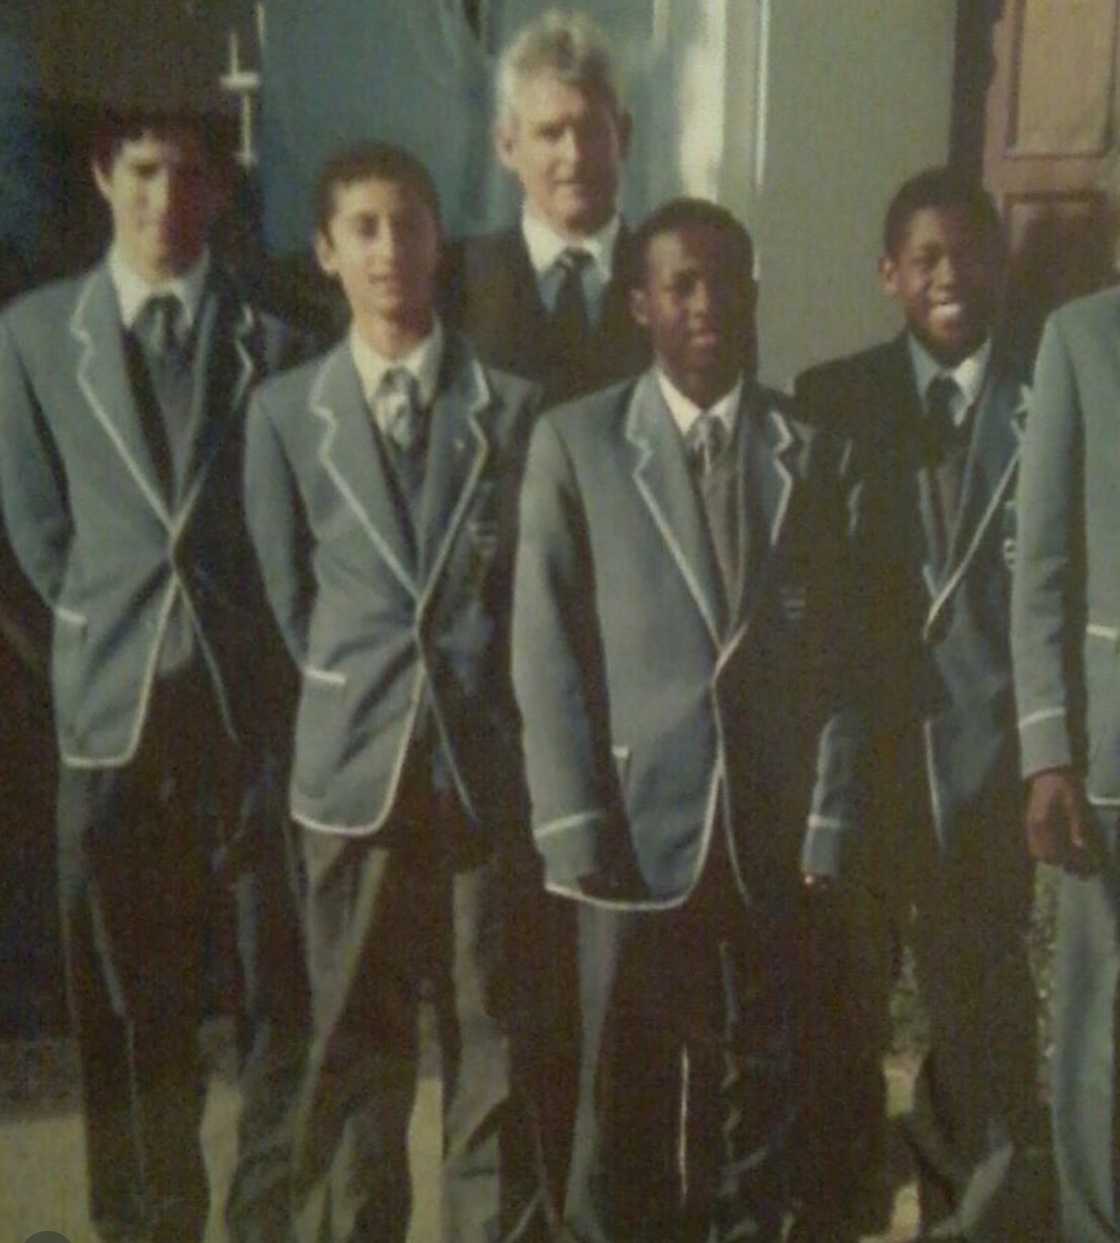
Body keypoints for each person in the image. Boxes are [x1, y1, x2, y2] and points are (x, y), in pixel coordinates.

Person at [511, 196, 864, 1242]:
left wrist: (828, 814)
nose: (708, 304)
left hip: (768, 824)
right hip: (633, 816)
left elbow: (842, 656)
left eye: (727, 283)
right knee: (623, 1064)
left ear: (754, 295)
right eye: (681, 285)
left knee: (760, 1066)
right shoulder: (577, 442)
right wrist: (572, 817)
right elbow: (547, 646)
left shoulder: (809, 449)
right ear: (639, 304)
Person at [0, 108, 308, 1242]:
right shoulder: (35, 337)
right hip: (112, 720)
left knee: (279, 991)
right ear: (102, 176)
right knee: (129, 1004)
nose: (164, 200)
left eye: (188, 175)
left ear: (221, 188)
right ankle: (145, 1222)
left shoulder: (277, 339)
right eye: (142, 172)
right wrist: (106, 635)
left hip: (247, 720)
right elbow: (36, 536)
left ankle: (266, 1217)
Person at [244, 142, 545, 1243]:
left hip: (477, 766)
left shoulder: (510, 408)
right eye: (363, 229)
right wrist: (362, 689)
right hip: (353, 767)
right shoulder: (286, 413)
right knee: (354, 1034)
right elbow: (290, 600)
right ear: (327, 252)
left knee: (490, 1027)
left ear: (439, 243)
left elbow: (527, 597)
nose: (388, 250)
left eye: (408, 225)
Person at [795, 166, 1042, 1242]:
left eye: (971, 253)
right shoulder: (833, 398)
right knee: (842, 1013)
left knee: (978, 1013)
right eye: (926, 257)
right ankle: (841, 1206)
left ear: (1002, 266)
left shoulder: (1048, 393)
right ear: (887, 273)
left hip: (990, 763)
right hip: (864, 767)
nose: (950, 275)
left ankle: (971, 1217)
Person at [1011, 272, 1120, 1240]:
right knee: (1100, 1024)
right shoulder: (1082, 338)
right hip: (1112, 756)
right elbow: (1041, 565)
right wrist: (1048, 749)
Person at [443, 8, 648, 407]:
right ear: (507, 146)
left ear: (623, 136)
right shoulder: (455, 282)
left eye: (591, 131)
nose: (574, 156)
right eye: (551, 134)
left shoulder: (671, 282)